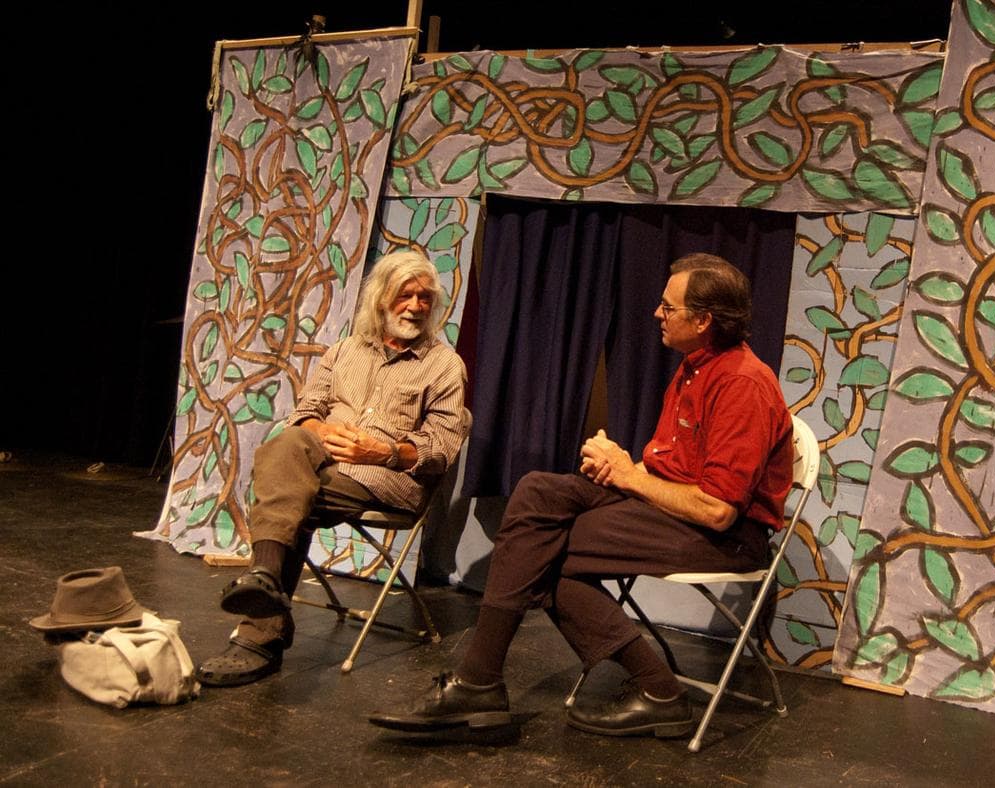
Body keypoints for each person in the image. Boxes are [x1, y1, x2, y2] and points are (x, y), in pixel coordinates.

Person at [370, 253, 793, 738]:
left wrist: (628, 476)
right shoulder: (694, 368)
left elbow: (718, 509)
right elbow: (675, 468)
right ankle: (489, 683)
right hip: (670, 508)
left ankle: (492, 683)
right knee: (537, 492)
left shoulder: (742, 383)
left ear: (703, 321)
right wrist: (623, 468)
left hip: (726, 536)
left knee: (542, 551)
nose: (657, 314)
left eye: (668, 307)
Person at [196, 249, 468, 687]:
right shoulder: (343, 351)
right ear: (382, 298)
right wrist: (323, 432)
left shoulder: (444, 366)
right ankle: (265, 590)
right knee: (286, 450)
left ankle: (260, 628)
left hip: (390, 479)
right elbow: (304, 413)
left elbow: (442, 447)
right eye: (405, 295)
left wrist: (382, 451)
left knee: (283, 489)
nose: (416, 307)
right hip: (325, 463)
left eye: (424, 298)